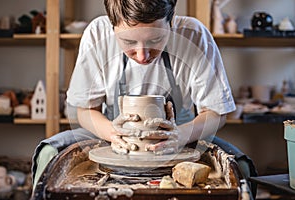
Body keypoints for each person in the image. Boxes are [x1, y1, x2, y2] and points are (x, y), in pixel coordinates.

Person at [32, 0, 256, 197]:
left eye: (156, 39)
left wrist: (179, 136)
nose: (142, 55)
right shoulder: (97, 34)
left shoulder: (194, 35)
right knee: (49, 153)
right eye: (129, 42)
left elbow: (217, 114)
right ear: (112, 26)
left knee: (241, 168)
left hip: (182, 132)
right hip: (111, 130)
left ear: (172, 21)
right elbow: (85, 110)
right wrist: (113, 133)